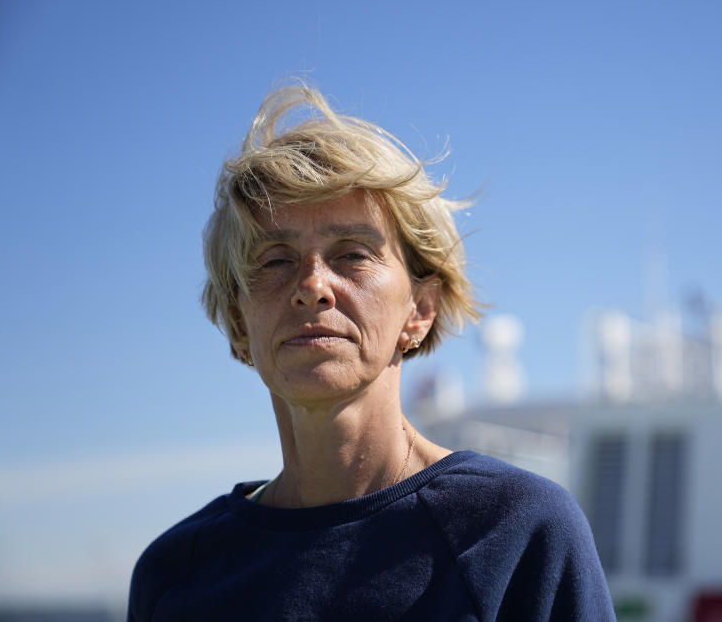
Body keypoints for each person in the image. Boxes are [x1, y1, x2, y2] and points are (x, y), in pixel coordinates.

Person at [127, 82, 615, 621]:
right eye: (274, 260)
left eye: (353, 254)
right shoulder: (175, 572)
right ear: (239, 320)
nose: (312, 285)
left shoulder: (514, 532)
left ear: (419, 310)